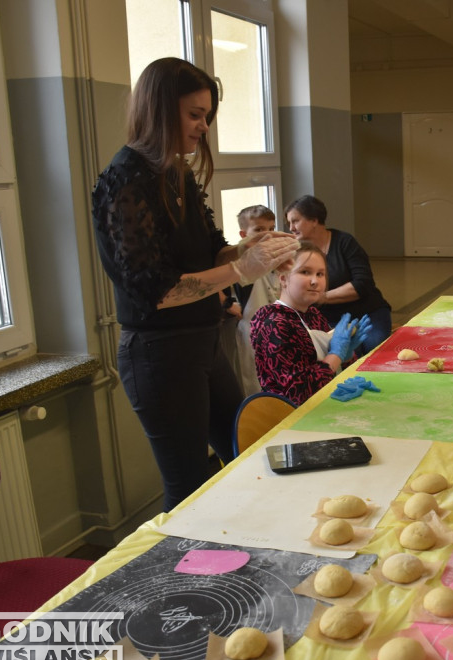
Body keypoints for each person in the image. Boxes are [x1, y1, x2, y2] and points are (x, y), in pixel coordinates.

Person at [92, 57, 298, 511]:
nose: (204, 126)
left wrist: (249, 249)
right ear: (158, 110)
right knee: (188, 488)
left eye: (206, 115)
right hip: (159, 356)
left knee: (243, 453)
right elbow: (158, 291)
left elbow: (212, 255)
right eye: (194, 114)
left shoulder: (177, 174)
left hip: (202, 344)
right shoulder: (125, 182)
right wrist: (242, 270)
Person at [250, 242, 370, 406]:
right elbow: (297, 392)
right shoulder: (274, 324)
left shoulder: (313, 315)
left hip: (321, 402)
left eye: (320, 274)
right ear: (284, 278)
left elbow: (330, 369)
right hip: (290, 415)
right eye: (305, 272)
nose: (315, 281)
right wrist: (336, 355)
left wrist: (347, 357)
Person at [284, 195, 391, 354]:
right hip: (328, 319)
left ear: (314, 220)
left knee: (372, 349)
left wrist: (322, 297)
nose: (291, 228)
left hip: (367, 313)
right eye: (289, 223)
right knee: (338, 354)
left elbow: (362, 284)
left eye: (295, 221)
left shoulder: (344, 242)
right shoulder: (297, 251)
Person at [227, 205, 283, 396]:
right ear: (244, 235)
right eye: (259, 230)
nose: (267, 235)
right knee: (255, 385)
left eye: (271, 228)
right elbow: (216, 289)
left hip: (281, 329)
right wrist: (229, 305)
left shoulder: (280, 258)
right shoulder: (238, 262)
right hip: (252, 333)